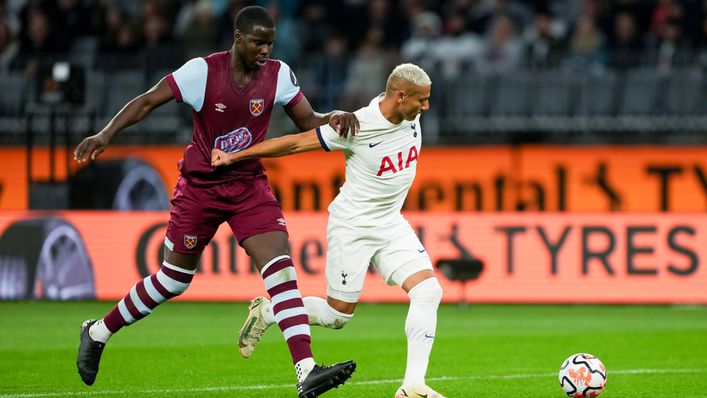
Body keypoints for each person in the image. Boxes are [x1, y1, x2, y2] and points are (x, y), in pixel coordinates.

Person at [73, 6, 358, 398]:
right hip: (200, 188)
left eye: (270, 43)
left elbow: (308, 120)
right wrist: (105, 134)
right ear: (238, 38)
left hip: (248, 186)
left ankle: (305, 370)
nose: (265, 50)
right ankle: (98, 331)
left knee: (281, 271)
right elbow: (146, 101)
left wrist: (335, 117)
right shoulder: (202, 72)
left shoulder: (279, 75)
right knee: (173, 280)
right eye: (258, 42)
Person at [212, 63, 445, 398]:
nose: (426, 107)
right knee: (337, 317)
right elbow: (294, 144)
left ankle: (412, 387)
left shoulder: (409, 113)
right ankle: (269, 310)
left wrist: (336, 111)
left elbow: (386, 103)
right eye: (421, 100)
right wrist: (236, 156)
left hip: (391, 222)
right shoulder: (359, 127)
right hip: (353, 227)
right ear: (400, 95)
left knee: (428, 291)